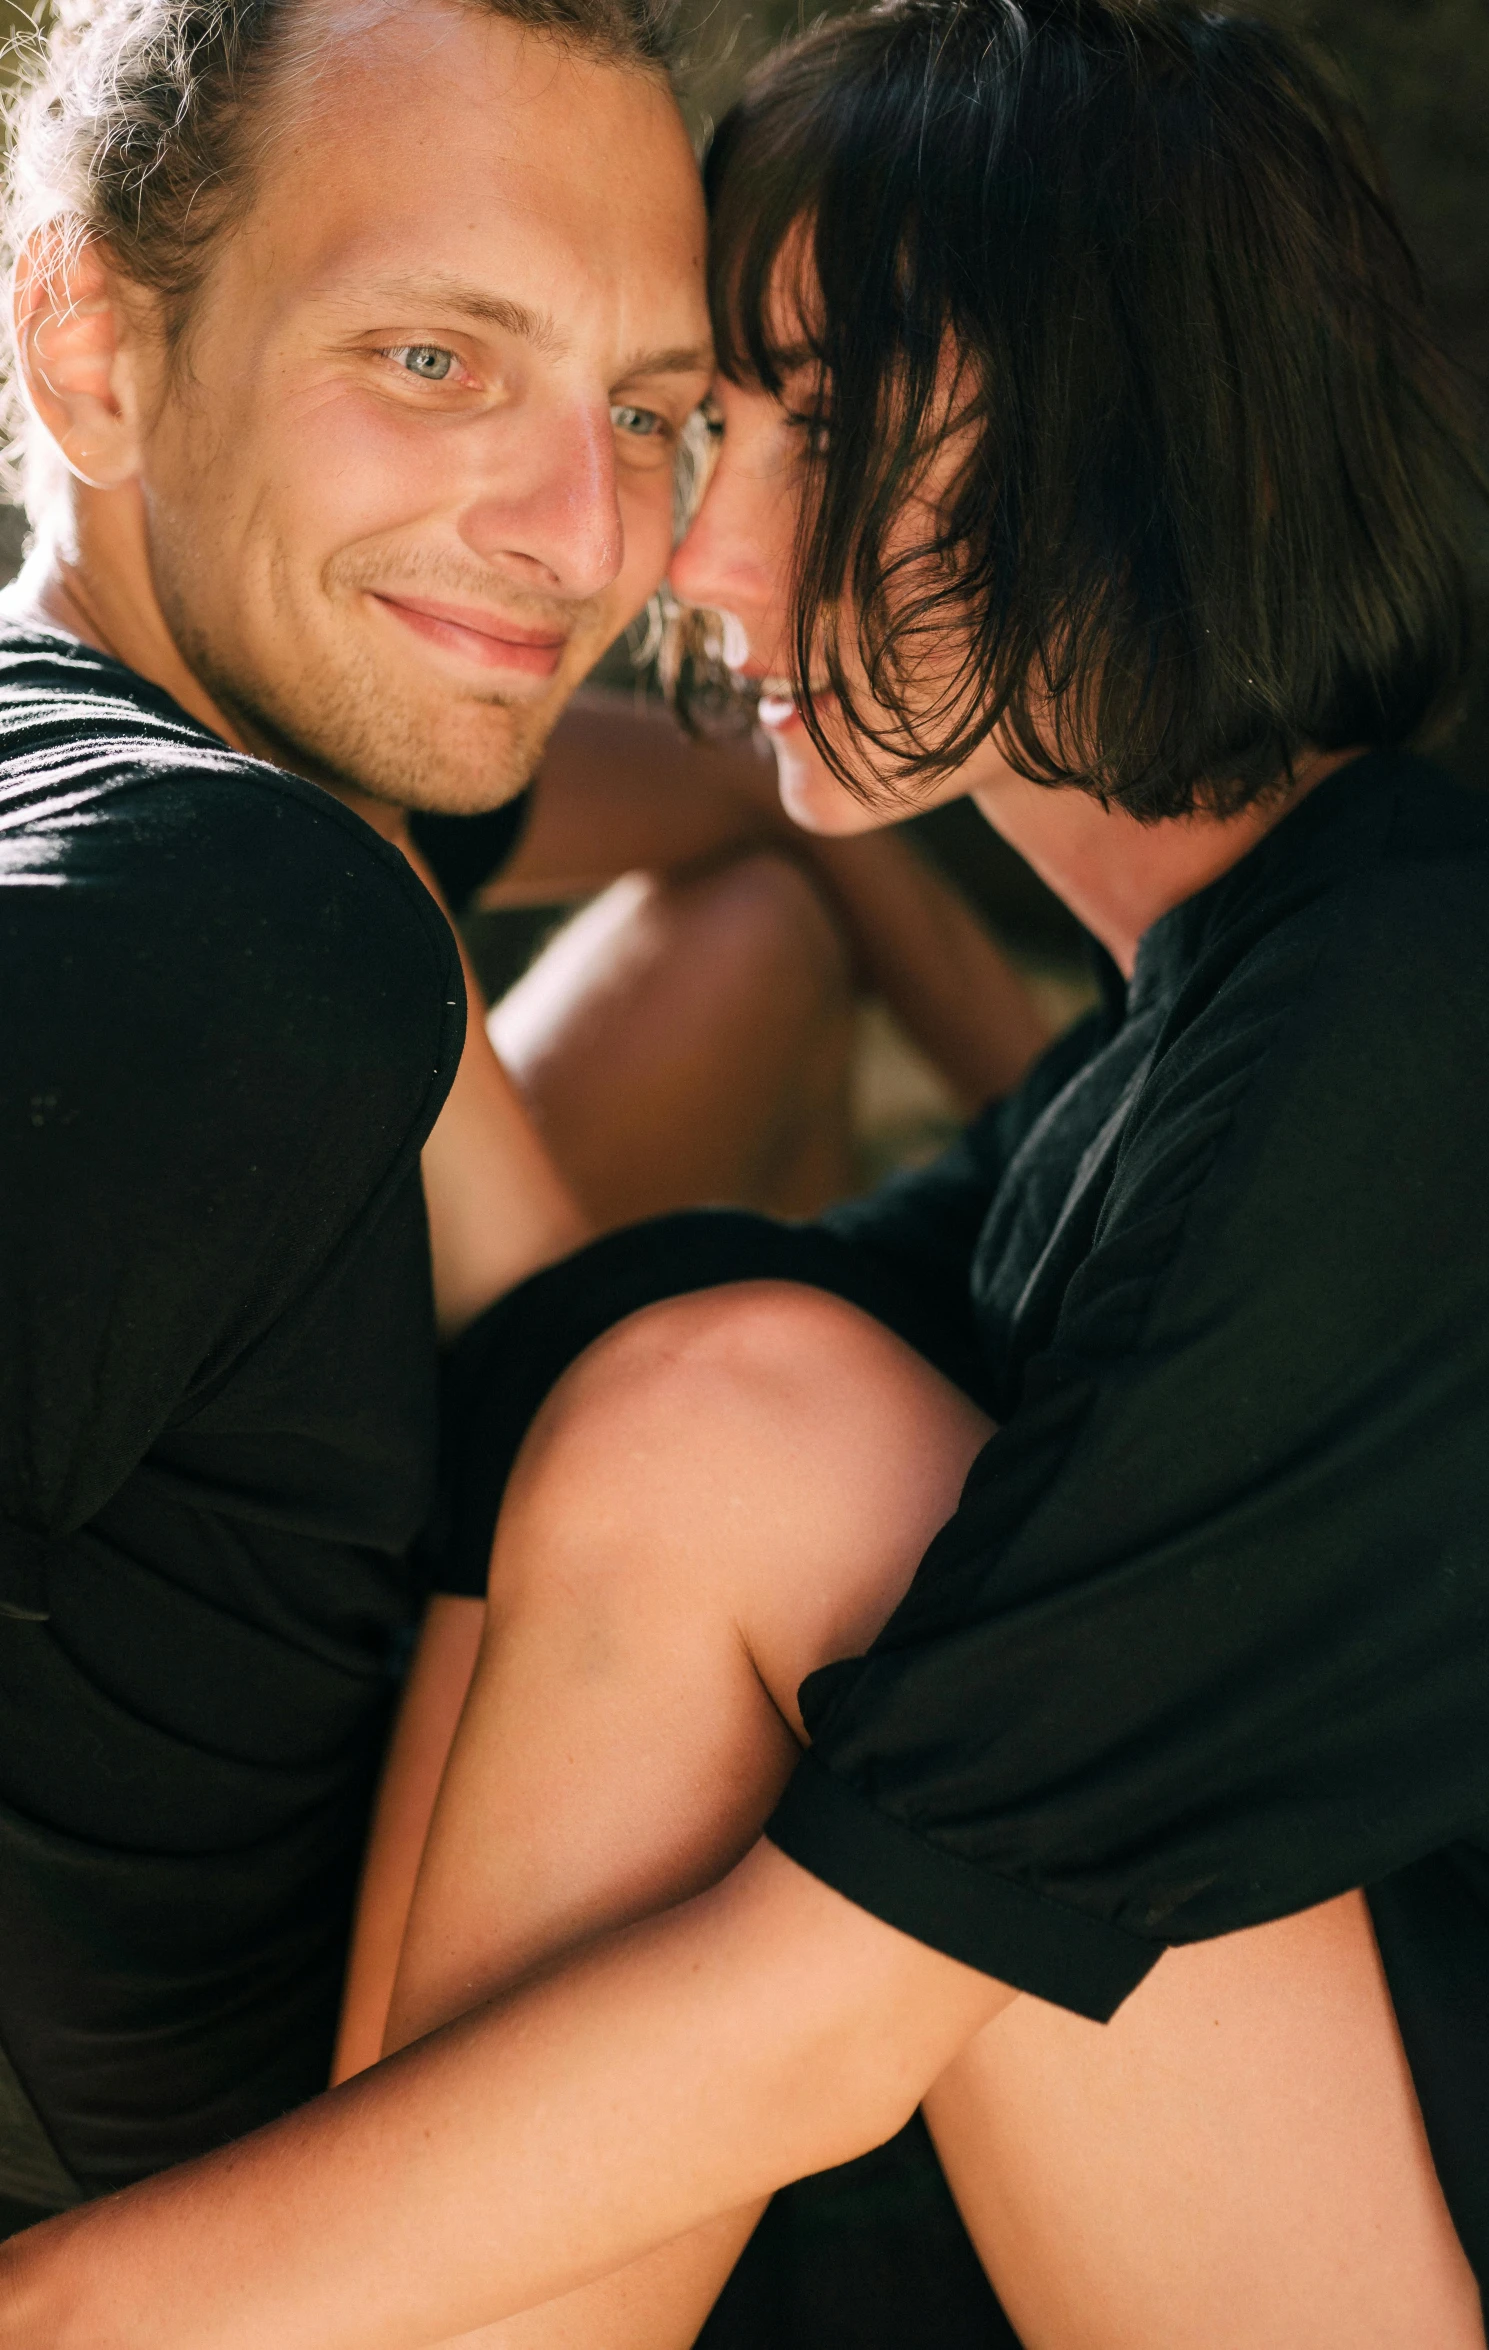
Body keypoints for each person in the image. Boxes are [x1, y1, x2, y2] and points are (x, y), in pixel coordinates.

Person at [6, 2, 1489, 2347]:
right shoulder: (1183, 1044)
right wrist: (347, 916)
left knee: (741, 1427)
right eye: (699, 423)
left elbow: (841, 1969)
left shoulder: (1427, 1022)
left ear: (1125, 438)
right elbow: (583, 1375)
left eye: (784, 426)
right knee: (705, 1396)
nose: (671, 533)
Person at [0, 0, 1041, 2243]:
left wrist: (1009, 1050)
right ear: (88, 340)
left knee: (753, 927)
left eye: (653, 411)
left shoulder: (237, 756)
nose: (594, 542)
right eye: (436, 362)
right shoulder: (216, 925)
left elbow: (722, 788)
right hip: (371, 2216)